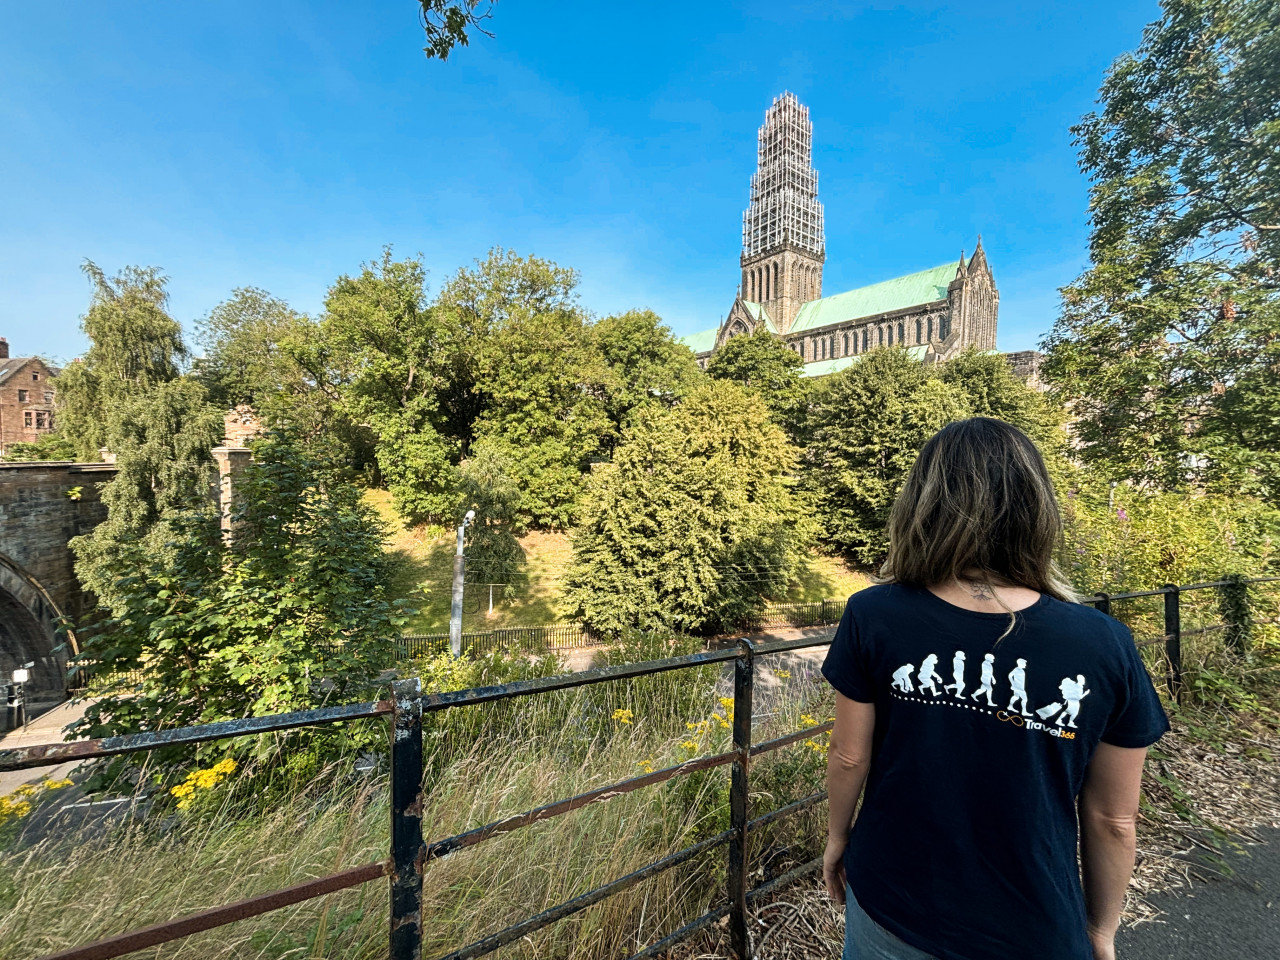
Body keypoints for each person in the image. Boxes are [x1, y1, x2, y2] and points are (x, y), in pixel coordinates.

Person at [821, 417, 1168, 960]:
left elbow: (847, 756)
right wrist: (1101, 929)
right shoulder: (1103, 642)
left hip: (894, 900)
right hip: (1033, 923)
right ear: (1036, 510)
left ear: (922, 505)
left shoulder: (875, 613)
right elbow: (1113, 819)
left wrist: (837, 837)